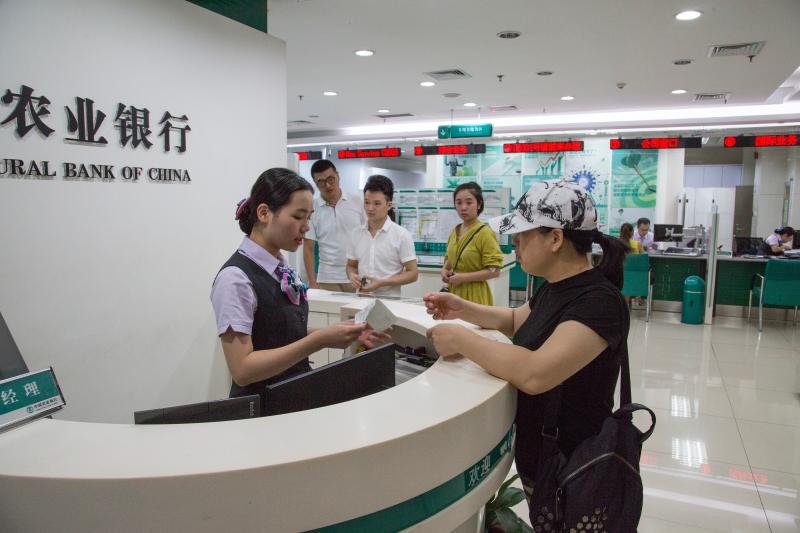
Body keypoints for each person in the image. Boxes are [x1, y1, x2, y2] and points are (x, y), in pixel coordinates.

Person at [424, 179, 629, 506]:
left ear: (555, 239)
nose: (515, 244)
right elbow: (515, 320)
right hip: (544, 458)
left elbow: (536, 373)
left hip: (576, 467)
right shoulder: (554, 286)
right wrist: (462, 309)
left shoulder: (598, 302)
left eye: (521, 236)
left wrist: (461, 339)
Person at [211, 168, 386, 411]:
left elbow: (278, 333)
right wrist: (319, 340)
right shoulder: (235, 279)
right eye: (298, 216)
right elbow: (243, 370)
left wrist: (338, 334)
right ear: (264, 213)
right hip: (262, 410)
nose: (306, 227)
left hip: (292, 397)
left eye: (309, 217)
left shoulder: (279, 266)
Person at [346, 174, 418, 296]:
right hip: (361, 299)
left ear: (389, 205)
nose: (370, 208)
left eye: (377, 203)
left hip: (389, 302)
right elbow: (351, 266)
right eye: (367, 202)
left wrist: (383, 282)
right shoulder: (356, 233)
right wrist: (352, 275)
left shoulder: (401, 235)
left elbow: (413, 273)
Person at [303, 160, 366, 291]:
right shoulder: (312, 207)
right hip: (327, 278)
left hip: (357, 276)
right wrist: (312, 283)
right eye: (321, 182)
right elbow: (308, 248)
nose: (327, 185)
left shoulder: (357, 201)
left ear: (338, 176)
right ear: (315, 183)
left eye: (331, 179)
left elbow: (368, 237)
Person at [441, 182, 504, 305]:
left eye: (469, 203)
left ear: (479, 204)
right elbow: (451, 258)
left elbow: (494, 270)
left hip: (475, 295)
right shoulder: (455, 231)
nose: (463, 207)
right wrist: (444, 270)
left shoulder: (485, 233)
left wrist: (463, 278)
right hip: (454, 292)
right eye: (459, 203)